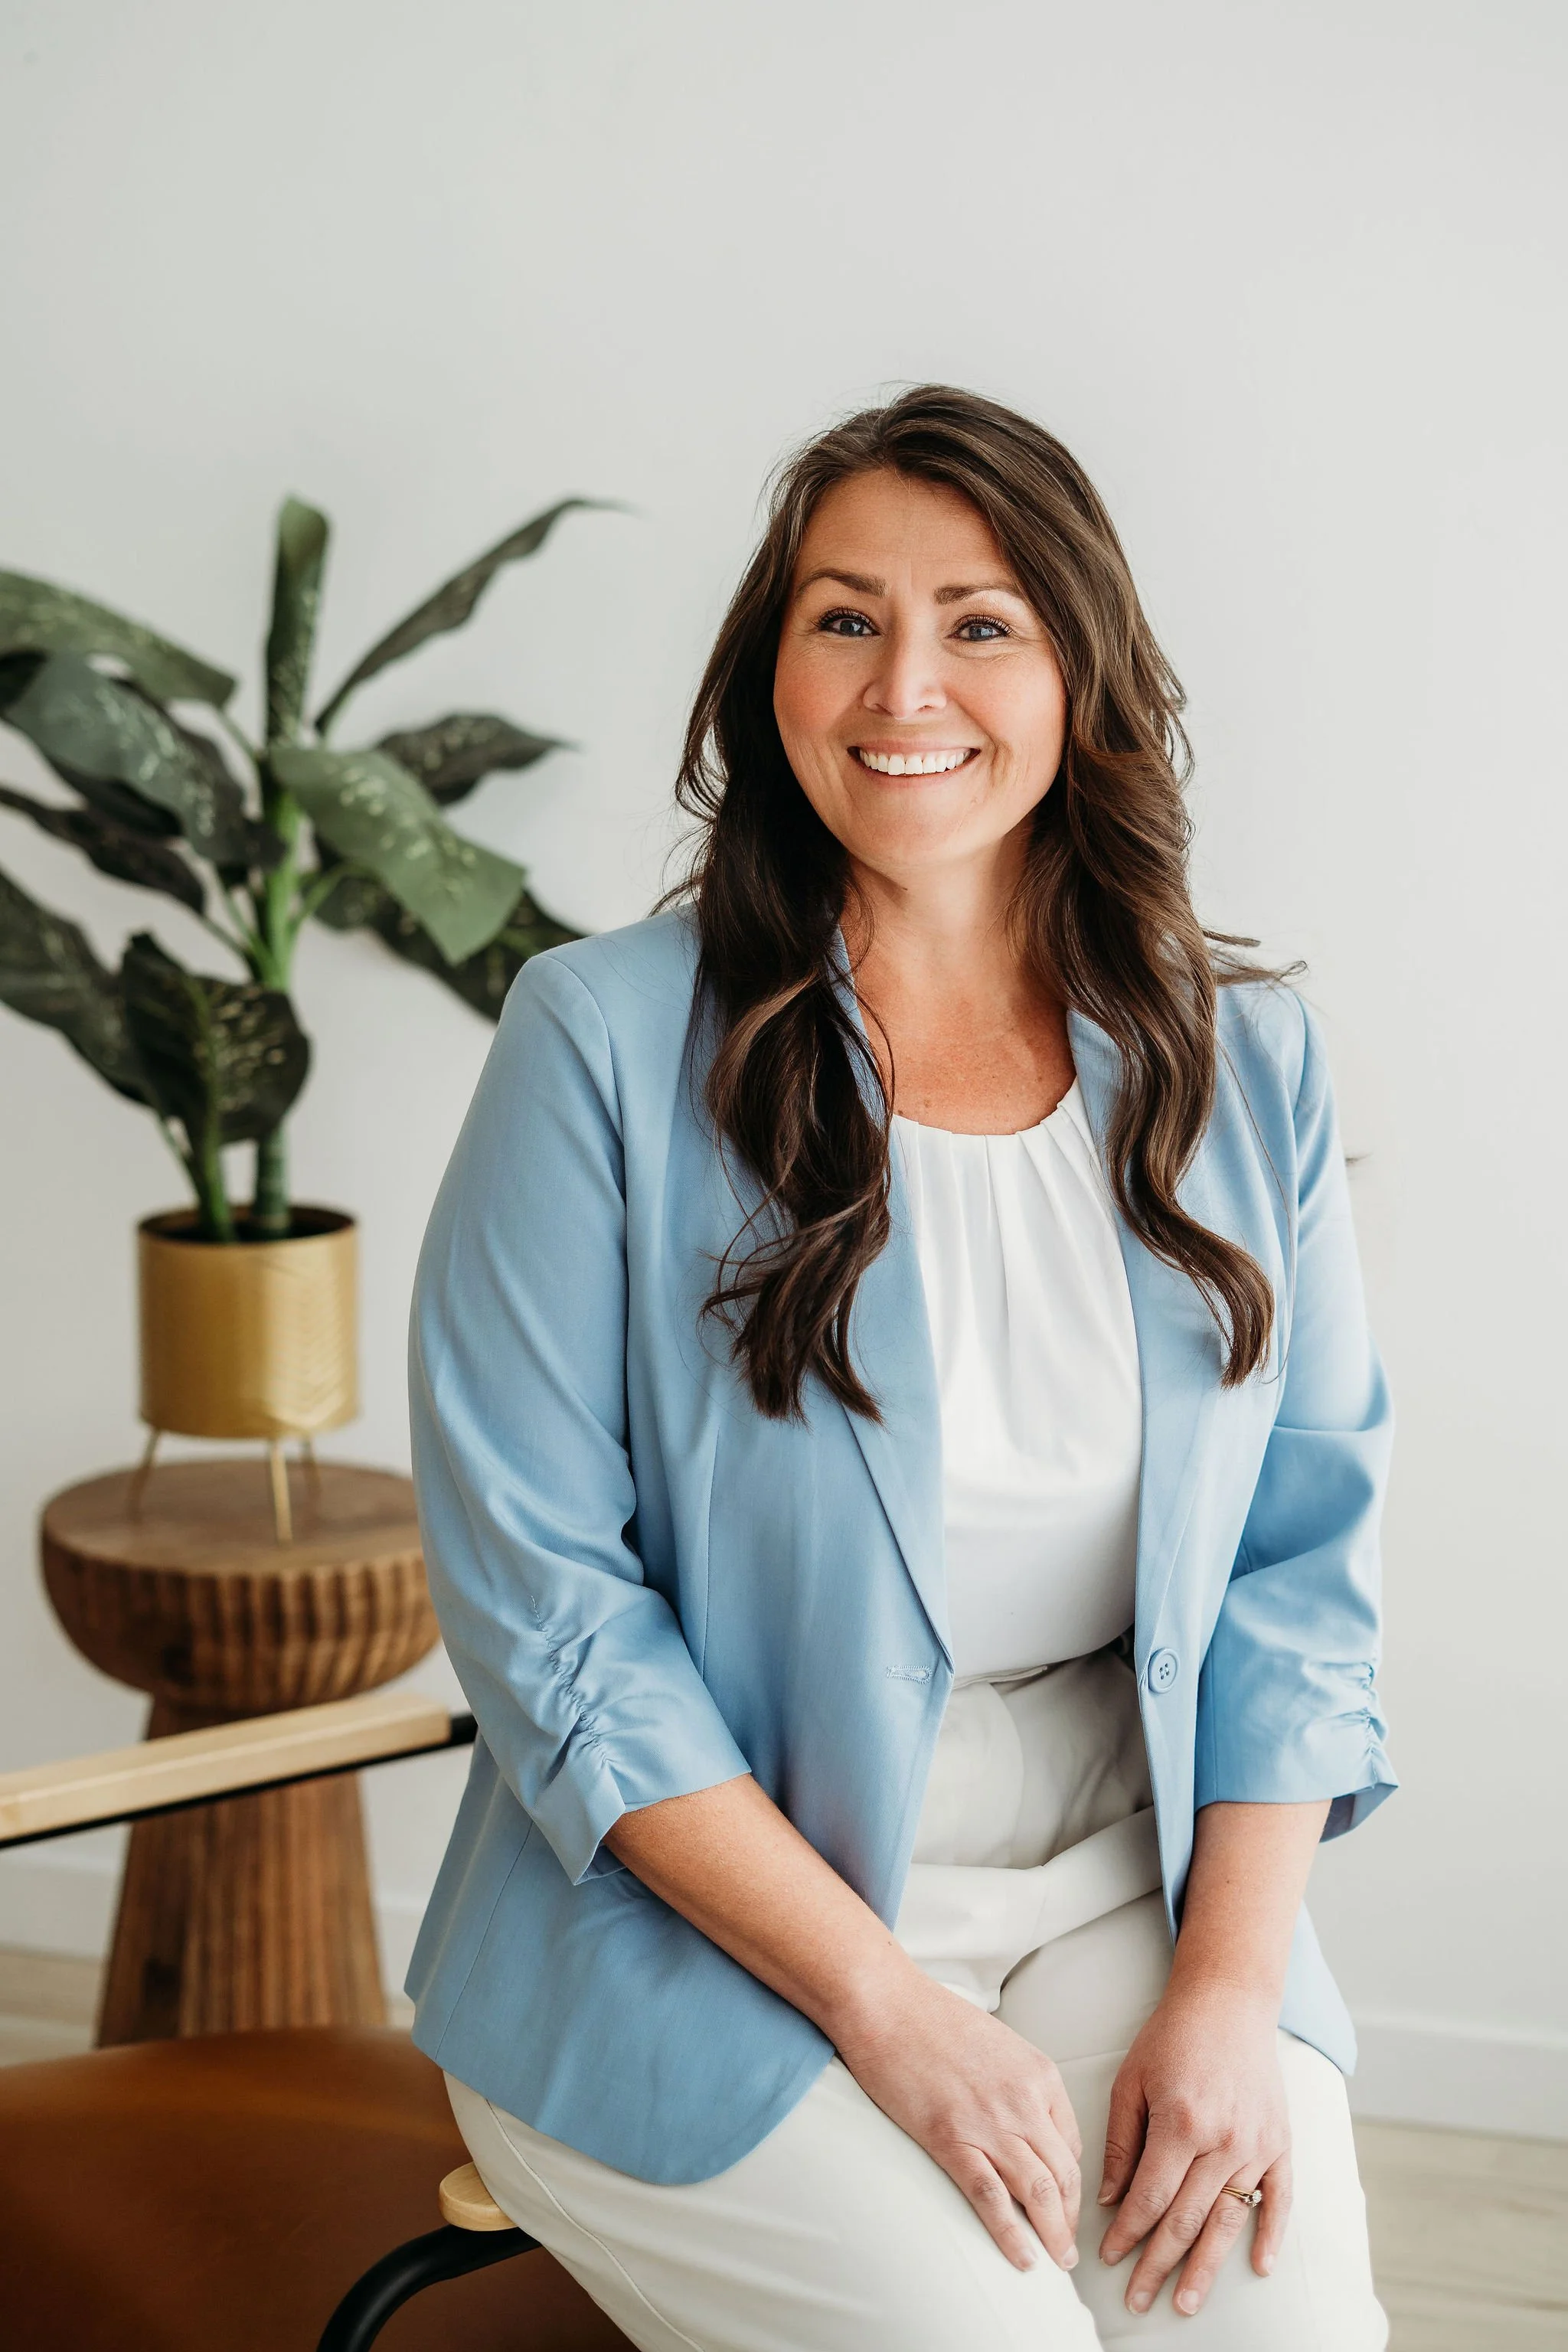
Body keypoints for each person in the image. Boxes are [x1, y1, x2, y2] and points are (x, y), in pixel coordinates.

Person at [406, 385, 1396, 2349]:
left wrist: (1221, 1995)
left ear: (1078, 672)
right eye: (842, 617)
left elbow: (1303, 1568)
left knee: (1269, 2322)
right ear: (769, 668)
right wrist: (882, 2007)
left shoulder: (1239, 1061)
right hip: (706, 1919)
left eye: (980, 621)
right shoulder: (596, 1042)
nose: (900, 684)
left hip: (1126, 1872)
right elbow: (548, 1609)